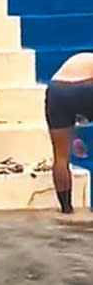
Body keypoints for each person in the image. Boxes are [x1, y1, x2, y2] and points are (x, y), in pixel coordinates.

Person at [44, 52, 93, 214]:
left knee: (61, 157)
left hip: (56, 91)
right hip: (87, 88)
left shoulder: (80, 59)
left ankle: (66, 208)